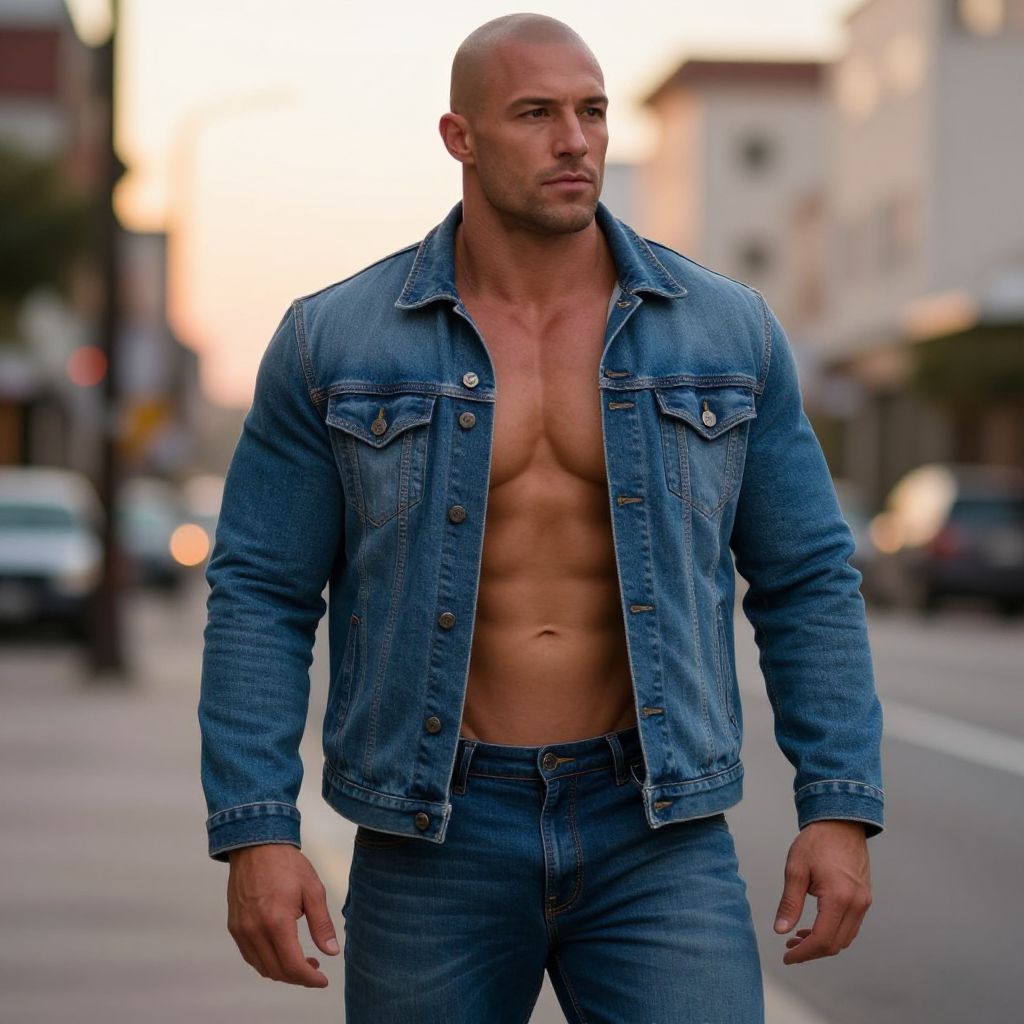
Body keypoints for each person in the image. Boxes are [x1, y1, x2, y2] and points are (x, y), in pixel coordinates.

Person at [198, 13, 884, 1023]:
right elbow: (260, 591)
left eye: (592, 111)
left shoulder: (725, 329)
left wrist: (838, 805)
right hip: (433, 831)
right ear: (459, 137)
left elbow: (807, 577)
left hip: (656, 827)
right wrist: (257, 827)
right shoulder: (335, 341)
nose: (575, 140)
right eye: (535, 114)